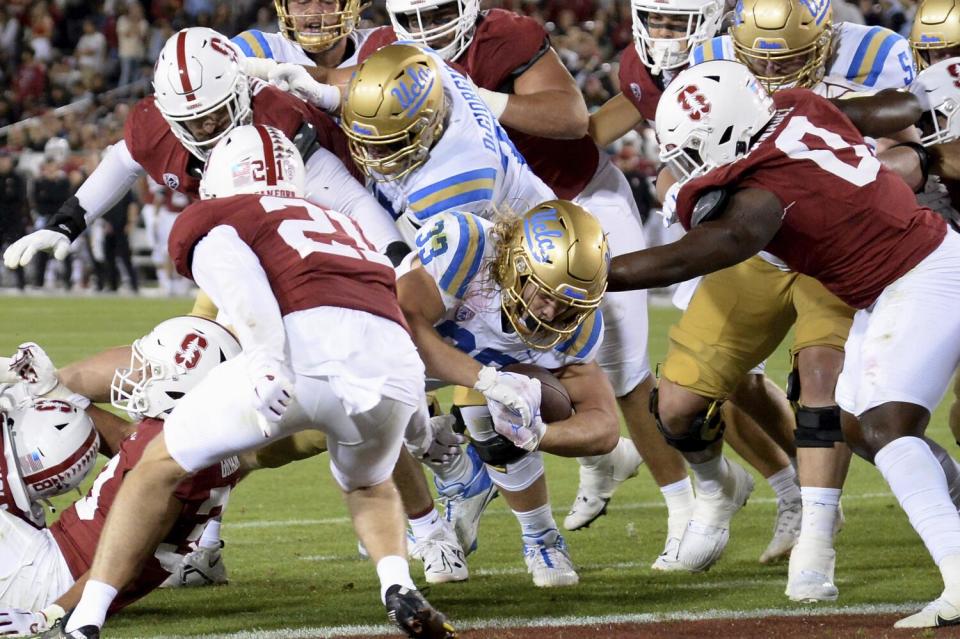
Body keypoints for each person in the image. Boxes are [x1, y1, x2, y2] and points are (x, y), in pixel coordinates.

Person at [46, 125, 456, 639]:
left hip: (294, 361)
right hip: (389, 377)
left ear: (221, 172)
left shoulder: (218, 214)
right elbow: (388, 322)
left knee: (158, 466)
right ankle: (395, 582)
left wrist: (265, 361)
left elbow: (239, 278)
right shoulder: (346, 226)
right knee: (370, 483)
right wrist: (418, 426)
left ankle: (85, 617)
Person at [608, 58, 960, 629]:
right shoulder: (800, 104)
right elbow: (878, 111)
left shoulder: (766, 191)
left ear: (728, 132)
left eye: (696, 151)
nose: (690, 166)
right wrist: (919, 97)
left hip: (918, 280)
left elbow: (716, 244)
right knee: (856, 426)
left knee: (883, 428)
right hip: (909, 273)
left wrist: (599, 273)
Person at [358, 0, 658, 543]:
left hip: (555, 211)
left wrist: (475, 95)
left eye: (439, 11)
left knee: (620, 367)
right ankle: (469, 489)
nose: (428, 29)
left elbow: (574, 121)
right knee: (404, 379)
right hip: (481, 232)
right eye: (414, 18)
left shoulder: (503, 40)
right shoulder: (389, 61)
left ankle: (667, 497)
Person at [3, 27, 406, 281]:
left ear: (243, 92)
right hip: (238, 238)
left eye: (217, 114)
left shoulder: (278, 117)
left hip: (310, 226)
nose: (209, 128)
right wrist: (65, 224)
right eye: (195, 121)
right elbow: (123, 162)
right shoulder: (156, 128)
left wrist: (399, 260)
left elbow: (348, 197)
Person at [398, 200, 619, 587]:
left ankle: (541, 538)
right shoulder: (467, 251)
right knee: (285, 445)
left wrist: (539, 434)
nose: (552, 315)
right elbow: (406, 326)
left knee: (512, 404)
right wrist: (484, 380)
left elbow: (604, 427)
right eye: (547, 295)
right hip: (389, 360)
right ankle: (454, 479)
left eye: (570, 306)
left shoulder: (578, 326)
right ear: (515, 264)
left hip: (468, 377)